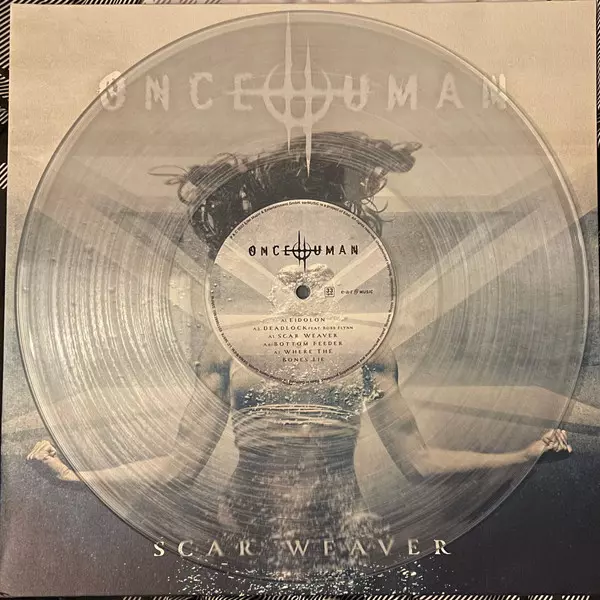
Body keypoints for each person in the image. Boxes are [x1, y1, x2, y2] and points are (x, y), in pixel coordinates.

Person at [28, 131, 571, 569]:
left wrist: (522, 455)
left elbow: (420, 463)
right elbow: (179, 468)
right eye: (283, 257)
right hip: (240, 542)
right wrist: (77, 476)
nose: (303, 269)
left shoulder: (368, 350)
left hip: (346, 542)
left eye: (321, 256)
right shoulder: (228, 348)